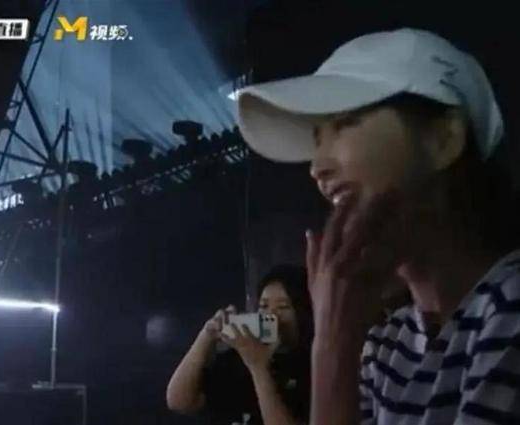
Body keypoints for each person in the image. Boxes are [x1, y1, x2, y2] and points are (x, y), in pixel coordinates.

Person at [236, 28, 520, 425]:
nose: (317, 168)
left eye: (345, 123)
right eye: (317, 141)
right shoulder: (388, 343)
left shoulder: (510, 306)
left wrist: (333, 347)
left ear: (443, 139)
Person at [166, 265, 313, 425]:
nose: (270, 315)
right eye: (264, 306)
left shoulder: (315, 367)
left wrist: (258, 367)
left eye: (283, 307)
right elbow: (178, 401)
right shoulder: (239, 357)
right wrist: (206, 336)